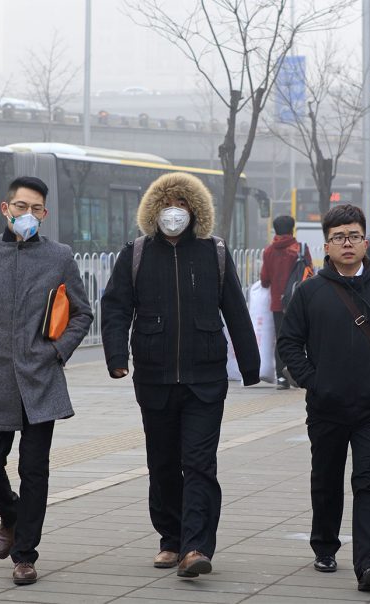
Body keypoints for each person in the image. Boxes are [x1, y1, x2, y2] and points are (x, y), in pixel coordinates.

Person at [101, 172, 260, 578]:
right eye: (168, 203)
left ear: (196, 211)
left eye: (183, 204)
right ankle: (170, 539)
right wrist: (117, 356)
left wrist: (250, 365)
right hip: (153, 379)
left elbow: (236, 311)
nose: (175, 212)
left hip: (205, 379)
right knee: (163, 463)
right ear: (154, 210)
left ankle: (196, 547)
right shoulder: (135, 254)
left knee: (200, 463)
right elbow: (116, 307)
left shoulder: (214, 253)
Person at [0, 176, 93, 586]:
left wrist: (57, 352)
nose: (29, 215)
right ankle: (10, 513)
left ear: (45, 215)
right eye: (21, 207)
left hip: (41, 379)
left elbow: (82, 313)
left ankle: (25, 555)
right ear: (5, 209)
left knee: (34, 469)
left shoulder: (59, 256)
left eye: (37, 209)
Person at [277, 203, 370, 593]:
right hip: (326, 406)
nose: (347, 243)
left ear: (366, 241)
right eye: (339, 237)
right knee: (326, 478)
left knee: (369, 481)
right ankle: (324, 544)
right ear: (327, 245)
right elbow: (289, 343)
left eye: (354, 235)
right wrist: (312, 382)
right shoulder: (309, 292)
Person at [259, 214, 312, 389]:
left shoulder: (268, 251)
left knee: (281, 338)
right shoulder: (301, 249)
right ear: (292, 229)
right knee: (300, 338)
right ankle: (298, 374)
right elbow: (309, 275)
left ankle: (281, 377)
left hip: (277, 304)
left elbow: (264, 279)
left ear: (275, 230)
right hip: (299, 302)